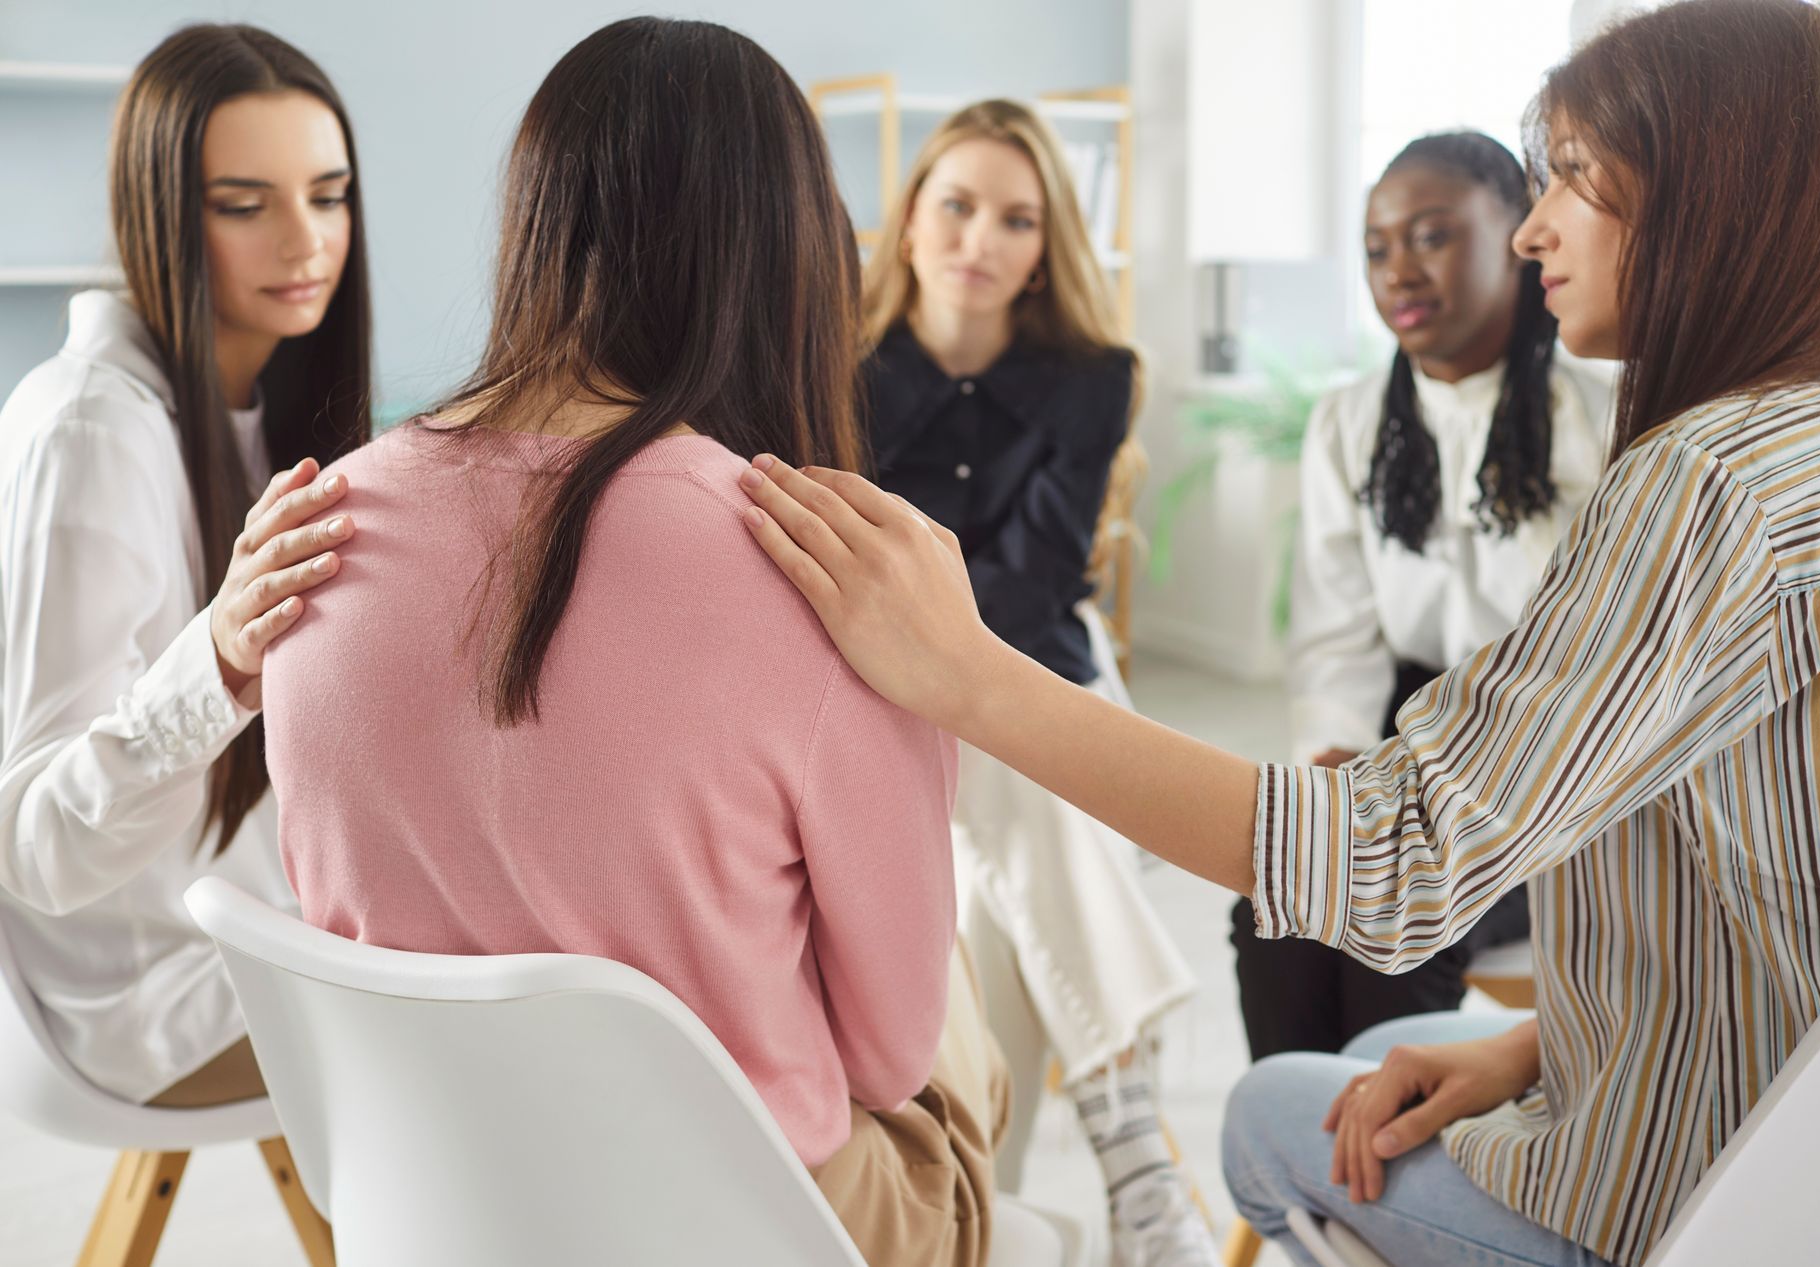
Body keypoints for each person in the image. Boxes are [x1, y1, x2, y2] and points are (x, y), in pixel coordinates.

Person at [733, 2, 1820, 1263]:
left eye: (1569, 178)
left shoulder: (1707, 480)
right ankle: (1131, 1136)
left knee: (1269, 1110)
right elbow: (1816, 913)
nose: (1533, 230)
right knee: (1366, 1055)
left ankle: (1134, 1159)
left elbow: (1395, 863)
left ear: (1711, 190)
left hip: (1720, 1189)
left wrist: (968, 678)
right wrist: (1540, 1043)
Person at [262, 20, 1005, 1267]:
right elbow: (887, 1056)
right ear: (789, 252)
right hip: (756, 1226)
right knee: (954, 993)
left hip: (443, 1209)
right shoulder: (820, 572)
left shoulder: (310, 533)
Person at [859, 99, 1208, 1263]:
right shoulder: (829, 363)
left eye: (1016, 219)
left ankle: (979, 1214)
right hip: (869, 702)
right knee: (1031, 822)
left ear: (1045, 244)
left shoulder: (1092, 377)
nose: (981, 239)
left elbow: (1031, 584)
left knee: (1011, 851)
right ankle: (1137, 1161)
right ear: (910, 221)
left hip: (1034, 678)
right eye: (956, 204)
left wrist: (936, 652)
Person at [0, 23, 368, 1108]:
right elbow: (35, 848)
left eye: (331, 194)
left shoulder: (271, 410)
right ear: (162, 215)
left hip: (249, 919)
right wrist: (217, 654)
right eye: (243, 205)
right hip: (142, 996)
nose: (304, 240)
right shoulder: (90, 428)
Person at [1231, 130, 1612, 1061]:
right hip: (1404, 733)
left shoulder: (1605, 418)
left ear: (1521, 237)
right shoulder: (1350, 421)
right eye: (1376, 246)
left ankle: (1383, 1176)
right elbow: (1337, 629)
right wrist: (1335, 778)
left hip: (1557, 772)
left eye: (1432, 236)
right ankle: (1307, 1164)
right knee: (1276, 907)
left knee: (1396, 927)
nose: (1399, 269)